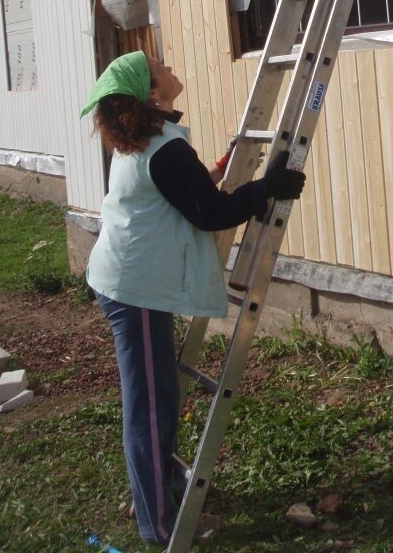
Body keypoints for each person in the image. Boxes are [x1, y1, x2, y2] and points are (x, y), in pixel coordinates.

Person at [79, 50, 305, 546]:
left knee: (158, 398)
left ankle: (160, 493)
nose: (170, 65)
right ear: (150, 93)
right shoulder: (163, 147)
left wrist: (222, 170)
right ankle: (160, 526)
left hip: (129, 283)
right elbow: (208, 213)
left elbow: (182, 191)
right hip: (133, 290)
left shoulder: (149, 141)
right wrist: (267, 188)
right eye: (159, 65)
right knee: (150, 407)